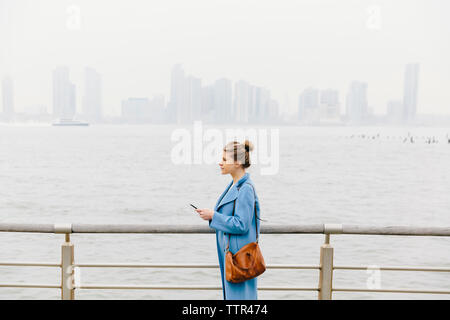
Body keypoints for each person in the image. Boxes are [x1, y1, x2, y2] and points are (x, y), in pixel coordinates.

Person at [196, 140, 261, 300]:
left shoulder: (245, 188)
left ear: (238, 162)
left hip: (239, 257)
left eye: (225, 159)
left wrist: (213, 216)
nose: (220, 163)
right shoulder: (235, 185)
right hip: (234, 255)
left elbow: (242, 224)